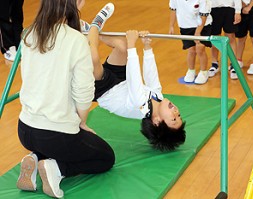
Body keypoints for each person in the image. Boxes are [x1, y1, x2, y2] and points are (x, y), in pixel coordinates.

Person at [16, 1, 115, 198]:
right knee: (106, 158)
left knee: (53, 143)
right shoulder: (75, 39)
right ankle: (57, 169)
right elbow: (84, 92)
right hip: (55, 135)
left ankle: (35, 158)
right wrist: (81, 123)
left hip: (25, 129)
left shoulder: (29, 33)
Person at [87, 26, 186, 151]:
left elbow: (135, 78)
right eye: (179, 115)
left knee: (93, 59)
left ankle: (93, 28)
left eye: (173, 119)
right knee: (121, 46)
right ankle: (91, 32)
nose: (176, 112)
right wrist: (147, 47)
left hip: (104, 90)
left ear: (156, 121)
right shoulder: (158, 97)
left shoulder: (140, 104)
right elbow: (151, 75)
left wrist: (132, 45)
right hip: (121, 80)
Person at [169, 0, 213, 84]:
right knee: (191, 50)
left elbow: (203, 15)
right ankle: (191, 70)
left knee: (200, 49)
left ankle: (203, 72)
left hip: (202, 25)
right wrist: (171, 25)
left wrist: (198, 32)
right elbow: (173, 9)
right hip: (185, 26)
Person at [208, 0, 242, 79]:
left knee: (230, 37)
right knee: (215, 38)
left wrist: (238, 11)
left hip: (229, 9)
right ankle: (214, 64)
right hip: (213, 9)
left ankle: (233, 65)